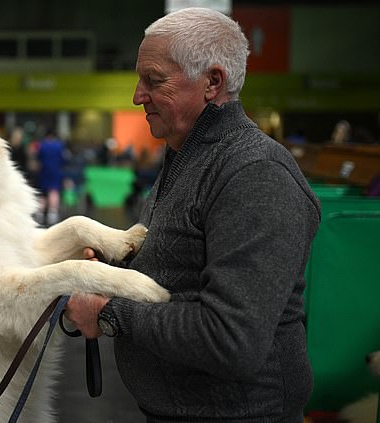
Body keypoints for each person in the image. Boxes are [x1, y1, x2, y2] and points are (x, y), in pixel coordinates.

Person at [65, 8, 321, 422]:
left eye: (154, 80)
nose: (137, 95)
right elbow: (180, 267)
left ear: (213, 82)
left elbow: (231, 338)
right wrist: (114, 266)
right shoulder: (189, 156)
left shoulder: (254, 174)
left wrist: (109, 311)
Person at [36, 129, 66, 225]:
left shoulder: (42, 145)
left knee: (43, 192)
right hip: (55, 171)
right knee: (54, 191)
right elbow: (63, 159)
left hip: (44, 171)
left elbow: (38, 158)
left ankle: (40, 211)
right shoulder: (59, 145)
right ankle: (52, 212)